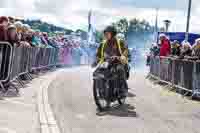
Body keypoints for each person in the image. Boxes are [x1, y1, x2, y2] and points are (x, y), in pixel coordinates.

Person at [93, 26, 129, 100]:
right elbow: (98, 55)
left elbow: (125, 50)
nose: (105, 35)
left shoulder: (120, 42)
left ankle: (123, 91)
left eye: (107, 33)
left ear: (112, 34)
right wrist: (95, 61)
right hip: (106, 62)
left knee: (119, 70)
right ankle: (101, 92)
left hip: (118, 62)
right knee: (96, 73)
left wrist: (122, 57)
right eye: (105, 33)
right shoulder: (103, 43)